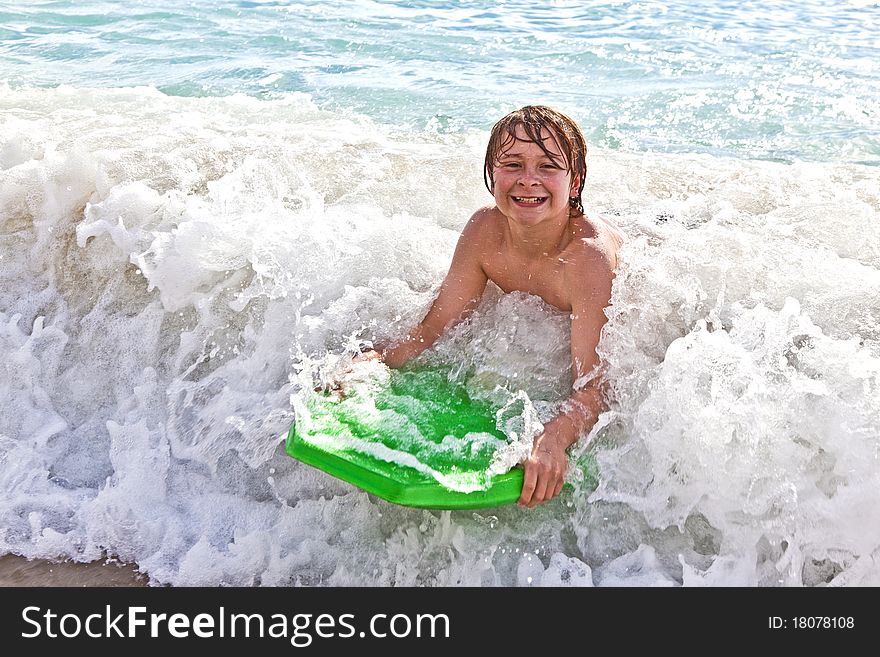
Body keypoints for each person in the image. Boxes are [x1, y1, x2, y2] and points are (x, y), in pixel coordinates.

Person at [353, 106, 623, 508]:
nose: (528, 179)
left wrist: (554, 439)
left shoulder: (585, 259)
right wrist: (373, 360)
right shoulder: (484, 232)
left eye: (548, 166)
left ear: (576, 180)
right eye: (512, 164)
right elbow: (432, 330)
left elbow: (594, 387)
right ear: (491, 175)